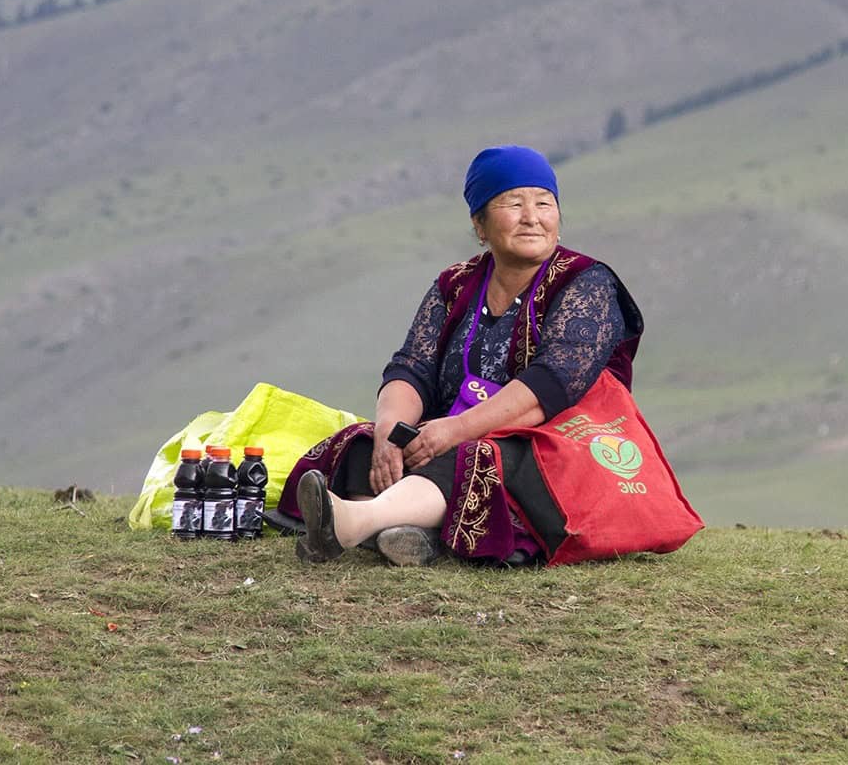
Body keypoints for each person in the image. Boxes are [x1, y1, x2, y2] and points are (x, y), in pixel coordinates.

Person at [290, 144, 681, 567]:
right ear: (481, 225)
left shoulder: (585, 283)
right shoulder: (455, 285)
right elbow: (412, 366)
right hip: (455, 432)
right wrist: (391, 429)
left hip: (552, 450)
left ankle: (352, 522)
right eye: (513, 203)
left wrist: (456, 430)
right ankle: (409, 534)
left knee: (474, 456)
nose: (532, 217)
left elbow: (551, 385)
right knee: (364, 444)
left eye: (544, 203)